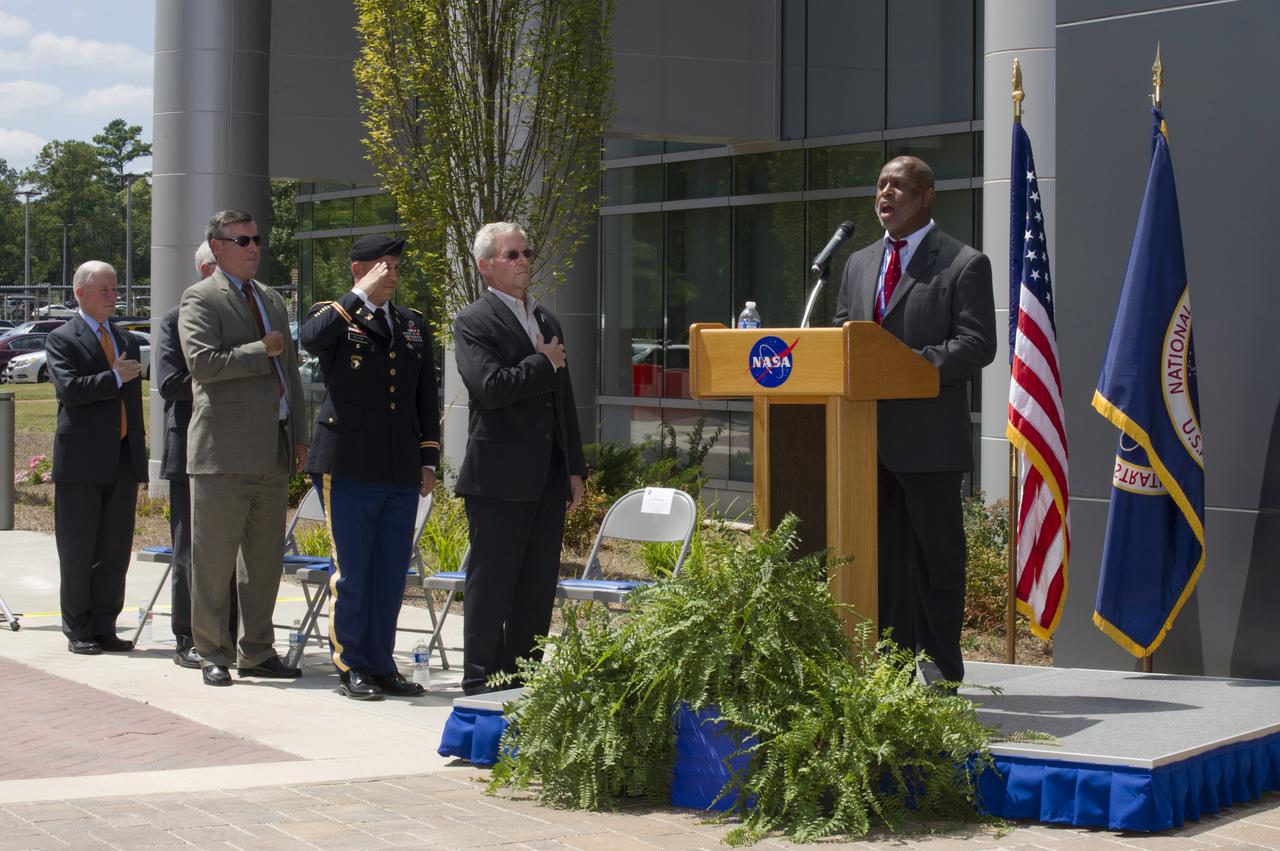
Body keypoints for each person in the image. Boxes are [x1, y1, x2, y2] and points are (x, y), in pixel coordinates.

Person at [831, 155, 996, 687]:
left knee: (936, 560)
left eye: (898, 186)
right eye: (880, 184)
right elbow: (843, 336)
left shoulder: (964, 263)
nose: (885, 193)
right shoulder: (858, 263)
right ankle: (891, 671)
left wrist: (903, 366)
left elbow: (976, 344)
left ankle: (942, 671)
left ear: (926, 197)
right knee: (881, 563)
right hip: (865, 440)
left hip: (929, 442)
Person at [300, 234, 441, 700]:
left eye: (396, 267)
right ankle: (352, 664)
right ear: (359, 270)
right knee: (354, 571)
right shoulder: (337, 314)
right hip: (349, 462)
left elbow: (424, 395)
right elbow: (311, 339)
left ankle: (382, 664)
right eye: (384, 267)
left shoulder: (412, 324)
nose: (393, 275)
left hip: (399, 465)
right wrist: (358, 295)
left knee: (389, 572)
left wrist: (428, 458)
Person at [453, 221, 586, 695]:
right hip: (497, 478)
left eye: (527, 252)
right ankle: (479, 681)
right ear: (486, 266)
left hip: (547, 476)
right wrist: (541, 362)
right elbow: (490, 389)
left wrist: (574, 467)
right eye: (512, 255)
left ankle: (521, 681)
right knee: (492, 584)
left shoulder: (547, 320)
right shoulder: (473, 321)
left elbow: (563, 399)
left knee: (536, 587)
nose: (524, 260)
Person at [179, 209, 309, 687]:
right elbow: (202, 364)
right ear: (217, 247)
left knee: (264, 562)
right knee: (214, 562)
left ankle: (257, 651)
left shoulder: (270, 298)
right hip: (222, 453)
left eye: (256, 239)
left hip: (272, 448)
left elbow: (290, 371)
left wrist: (299, 434)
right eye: (243, 240)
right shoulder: (200, 297)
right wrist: (260, 350)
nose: (254, 247)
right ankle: (211, 651)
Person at [46, 261, 147, 655]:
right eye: (104, 290)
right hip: (81, 462)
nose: (112, 296)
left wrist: (138, 454)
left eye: (115, 289)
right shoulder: (62, 339)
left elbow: (132, 404)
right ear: (80, 293)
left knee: (114, 551)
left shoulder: (126, 340)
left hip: (121, 458)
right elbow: (70, 390)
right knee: (78, 549)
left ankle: (106, 625)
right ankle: (78, 628)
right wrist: (115, 377)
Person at [156, 243, 238, 668]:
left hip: (237, 449)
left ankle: (230, 637)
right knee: (192, 550)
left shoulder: (244, 319)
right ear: (208, 270)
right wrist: (223, 371)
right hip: (191, 449)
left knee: (234, 552)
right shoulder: (175, 320)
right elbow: (169, 384)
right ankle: (188, 636)